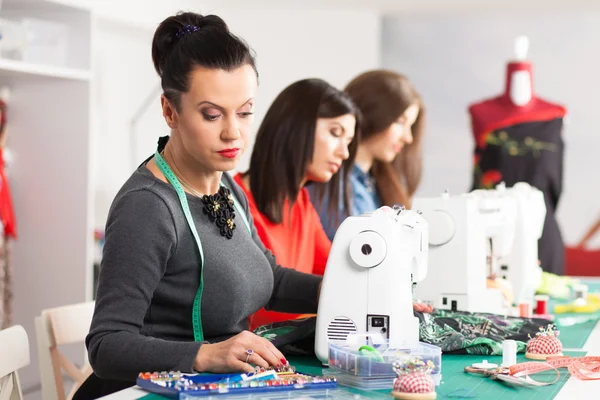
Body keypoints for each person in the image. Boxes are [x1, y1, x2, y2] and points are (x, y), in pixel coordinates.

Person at [76, 12, 322, 399]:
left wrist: (357, 290)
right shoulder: (148, 208)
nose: (233, 132)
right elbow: (105, 346)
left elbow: (269, 280)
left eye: (244, 112)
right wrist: (206, 355)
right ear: (169, 111)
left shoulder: (226, 188)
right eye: (212, 114)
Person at [234, 79, 359, 329]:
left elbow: (340, 272)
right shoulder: (234, 204)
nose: (344, 154)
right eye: (335, 133)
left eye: (348, 142)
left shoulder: (301, 203)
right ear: (295, 127)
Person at [311, 70, 425, 240]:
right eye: (401, 122)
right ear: (373, 112)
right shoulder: (330, 186)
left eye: (410, 126)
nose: (407, 138)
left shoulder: (377, 186)